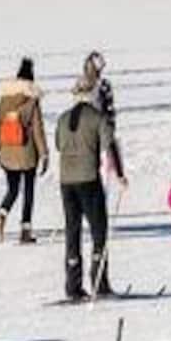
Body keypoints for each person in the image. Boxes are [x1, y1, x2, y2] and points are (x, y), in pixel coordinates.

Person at [56, 79, 118, 301]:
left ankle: (73, 284)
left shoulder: (63, 118)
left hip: (66, 180)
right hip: (88, 179)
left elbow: (58, 145)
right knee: (99, 230)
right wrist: (120, 174)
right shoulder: (97, 117)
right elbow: (109, 145)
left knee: (72, 230)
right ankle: (99, 282)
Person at [0, 58, 48, 244]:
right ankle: (25, 229)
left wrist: (0, 148)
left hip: (7, 152)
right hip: (27, 153)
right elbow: (38, 129)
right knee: (28, 191)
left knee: (13, 189)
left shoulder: (4, 99)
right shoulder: (31, 100)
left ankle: (1, 215)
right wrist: (44, 153)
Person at [76, 50, 124, 182]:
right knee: (106, 164)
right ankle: (119, 176)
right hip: (100, 130)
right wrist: (111, 124)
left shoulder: (80, 84)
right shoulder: (103, 84)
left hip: (83, 133)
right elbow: (109, 108)